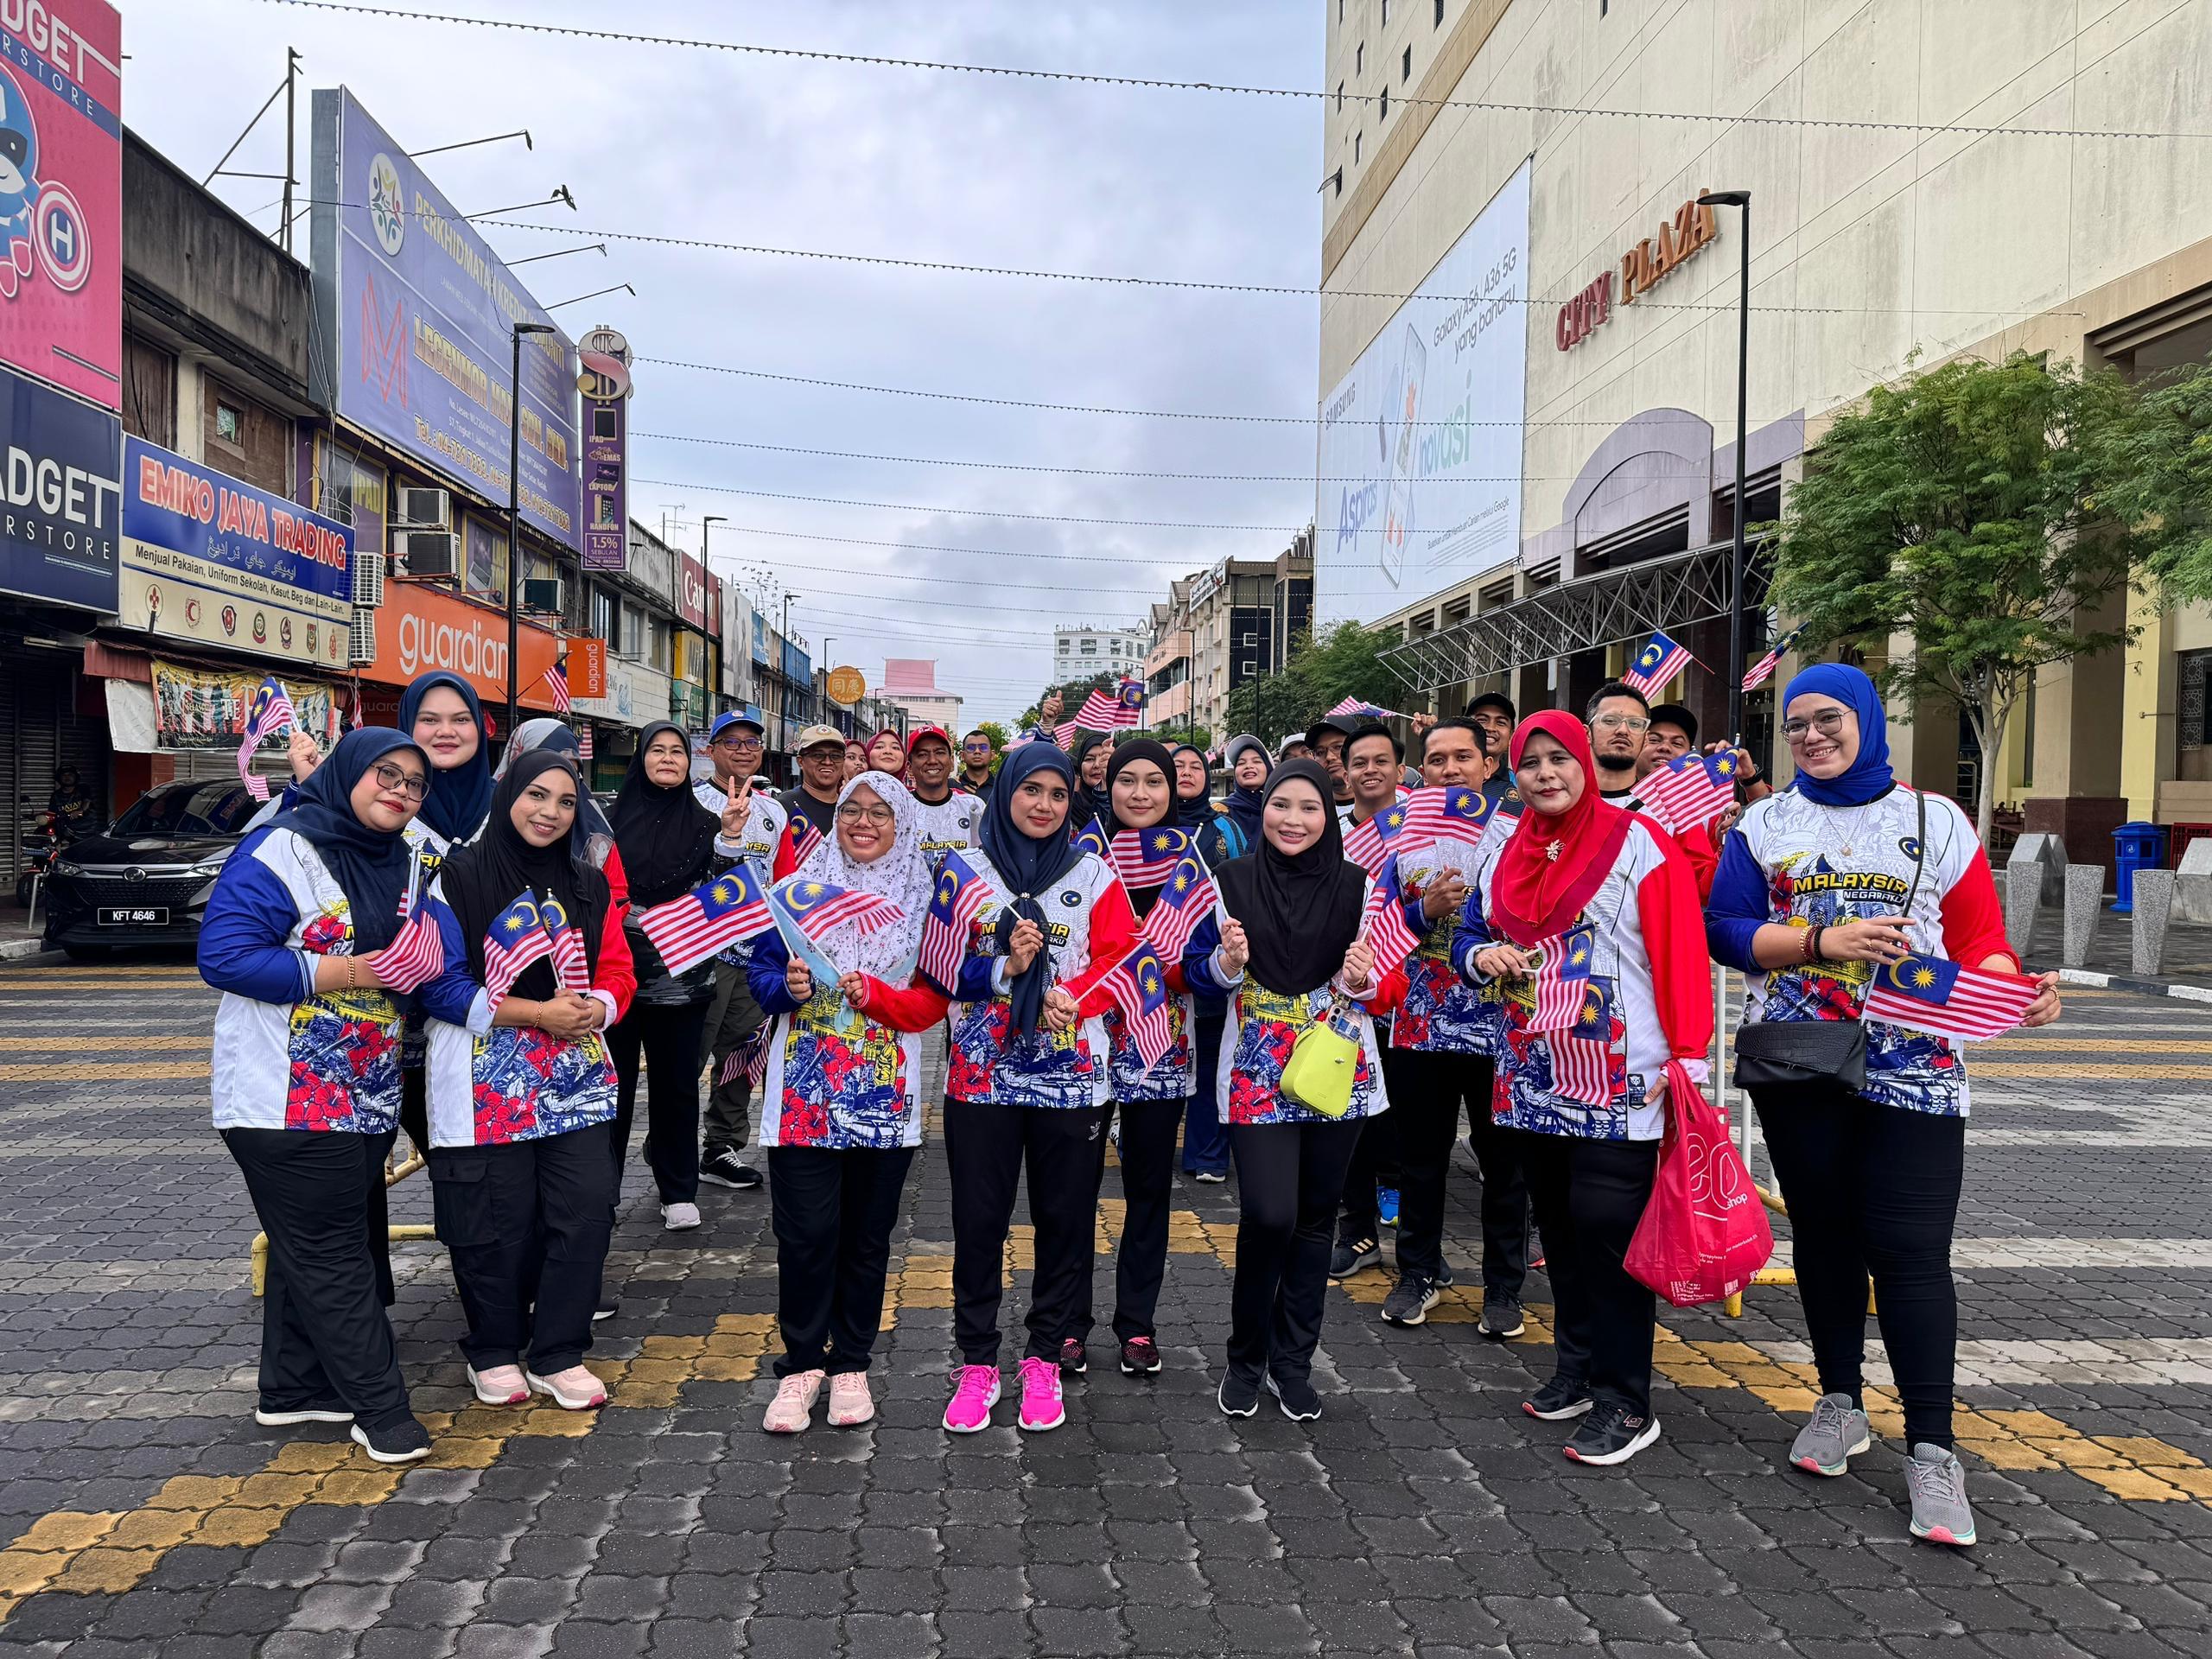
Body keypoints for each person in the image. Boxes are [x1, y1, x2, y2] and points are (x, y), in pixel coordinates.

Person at [1706, 664, 2060, 1545]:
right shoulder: (1763, 824)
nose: (1810, 736)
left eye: (1828, 718)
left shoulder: (1934, 819)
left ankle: (1933, 1450)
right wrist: (1821, 941)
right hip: (1800, 1059)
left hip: (1918, 1063)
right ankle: (1838, 1402)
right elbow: (1726, 931)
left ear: (1866, 719)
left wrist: (2015, 988)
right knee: (1825, 1237)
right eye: (1794, 724)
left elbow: (1980, 939)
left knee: (1910, 1252)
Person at [1452, 714, 1711, 1467]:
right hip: (1532, 1071)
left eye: (1559, 758)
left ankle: (1626, 1399)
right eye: (1530, 762)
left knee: (1610, 1236)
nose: (1545, 774)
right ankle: (1578, 1367)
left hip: (1621, 1074)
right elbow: (1467, 935)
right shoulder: (1503, 848)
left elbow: (1680, 950)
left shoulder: (1640, 841)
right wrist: (1481, 956)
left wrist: (1688, 1057)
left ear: (1585, 763)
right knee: (1560, 1230)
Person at [198, 729, 435, 1465]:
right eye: (386, 774)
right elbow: (226, 957)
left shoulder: (405, 858)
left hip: (365, 1093)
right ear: (347, 773)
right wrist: (358, 971)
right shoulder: (282, 848)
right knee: (333, 1253)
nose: (400, 790)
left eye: (414, 783)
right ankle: (382, 1409)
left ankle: (294, 1388)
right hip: (283, 1098)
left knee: (313, 1244)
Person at [1181, 761, 1403, 1421]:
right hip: (1256, 1073)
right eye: (1281, 805)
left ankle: (1292, 1363)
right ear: (1264, 808)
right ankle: (1245, 1358)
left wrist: (1365, 979)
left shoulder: (1361, 887)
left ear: (1327, 817)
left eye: (1310, 808)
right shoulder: (1228, 882)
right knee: (1269, 1215)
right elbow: (1192, 973)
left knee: (1314, 1220)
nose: (1293, 820)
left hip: (1338, 1073)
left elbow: (1390, 986)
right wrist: (1226, 963)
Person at [418, 752, 634, 1412]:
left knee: (585, 1211)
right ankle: (493, 1349)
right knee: (494, 1222)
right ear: (508, 794)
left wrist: (599, 1006)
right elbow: (439, 983)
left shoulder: (587, 882)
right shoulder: (458, 876)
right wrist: (536, 1013)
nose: (550, 812)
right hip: (483, 1079)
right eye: (537, 795)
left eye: (566, 802)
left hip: (574, 1080)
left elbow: (619, 968)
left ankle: (559, 1351)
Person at [940, 744, 1139, 1435]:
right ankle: (977, 1361)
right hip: (980, 1077)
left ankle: (1045, 1356)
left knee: (1065, 1222)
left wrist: (1076, 995)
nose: (1045, 805)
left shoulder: (1094, 872)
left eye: (1058, 793)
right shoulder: (964, 871)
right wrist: (1002, 966)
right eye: (1032, 790)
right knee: (978, 1223)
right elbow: (937, 966)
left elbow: (1121, 957)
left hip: (1071, 1081)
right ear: (1006, 794)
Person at [747, 774, 950, 1433]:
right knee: (806, 1235)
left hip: (884, 1100)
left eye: (880, 813)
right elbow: (760, 975)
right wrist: (787, 985)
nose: (863, 822)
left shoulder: (926, 902)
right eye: (851, 810)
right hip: (803, 1098)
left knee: (866, 1238)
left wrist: (877, 997)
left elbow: (931, 1003)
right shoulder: (798, 890)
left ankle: (852, 1363)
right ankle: (802, 1365)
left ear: (903, 825)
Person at [1368, 718, 1530, 1338]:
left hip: (1502, 1027)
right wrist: (1422, 910)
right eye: (1437, 759)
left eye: (1464, 757)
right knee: (1421, 1158)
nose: (1450, 769)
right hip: (1419, 1024)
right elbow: (1376, 922)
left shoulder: (1517, 830)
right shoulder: (1398, 833)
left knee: (1504, 1163)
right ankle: (1418, 1273)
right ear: (1422, 769)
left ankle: (1504, 1287)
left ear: (1489, 766)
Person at [1085, 741, 1201, 1378]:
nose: (1139, 793)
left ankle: (1137, 1324)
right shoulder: (1085, 855)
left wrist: (1168, 963)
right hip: (1086, 1043)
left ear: (1172, 790)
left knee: (1148, 1192)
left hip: (1162, 1045)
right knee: (1073, 1192)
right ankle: (1067, 1323)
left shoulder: (1193, 862)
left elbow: (1202, 964)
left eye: (1154, 781)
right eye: (1126, 779)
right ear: (1108, 787)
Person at [607, 721, 722, 1232]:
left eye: (678, 751)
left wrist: (731, 839)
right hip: (615, 973)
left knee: (676, 1086)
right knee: (612, 1086)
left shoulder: (708, 824)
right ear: (642, 758)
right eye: (658, 750)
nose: (669, 758)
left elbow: (724, 889)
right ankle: (602, 1190)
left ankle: (678, 1190)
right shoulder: (607, 823)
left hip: (683, 974)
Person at [694, 712, 788, 1195]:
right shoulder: (692, 801)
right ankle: (669, 1144)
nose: (744, 750)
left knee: (740, 1056)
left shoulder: (774, 811)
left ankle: (721, 1147)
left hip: (756, 954)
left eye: (752, 742)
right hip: (703, 954)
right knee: (688, 1055)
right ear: (711, 750)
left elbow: (784, 879)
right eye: (731, 742)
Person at [1333, 723, 1410, 1259]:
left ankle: (1416, 1247)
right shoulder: (1331, 831)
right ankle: (1356, 1230)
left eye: (1381, 761)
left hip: (1414, 993)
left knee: (1406, 1122)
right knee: (1352, 1116)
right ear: (1345, 771)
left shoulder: (1422, 824)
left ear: (1400, 769)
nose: (1370, 771)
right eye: (1359, 762)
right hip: (1349, 994)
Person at [904, 726, 983, 863]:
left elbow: (986, 859)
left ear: (951, 762)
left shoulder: (974, 806)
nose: (932, 760)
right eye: (922, 754)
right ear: (909, 767)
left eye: (940, 753)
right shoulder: (900, 808)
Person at [1584, 683, 1650, 803]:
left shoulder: (1658, 810)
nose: (1623, 730)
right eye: (1610, 721)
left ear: (1646, 739)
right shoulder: (1560, 802)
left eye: (1635, 723)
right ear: (1588, 733)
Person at [780, 725, 848, 840]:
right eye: (818, 755)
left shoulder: (851, 807)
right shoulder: (783, 806)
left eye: (835, 756)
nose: (827, 762)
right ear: (800, 762)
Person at [1217, 735, 1268, 861]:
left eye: (1257, 761)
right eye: (1241, 763)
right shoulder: (1220, 811)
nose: (1249, 766)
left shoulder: (1280, 809)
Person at [1303, 715, 1360, 819]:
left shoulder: (1389, 802)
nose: (1329, 757)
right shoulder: (1312, 816)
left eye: (1338, 747)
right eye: (1320, 752)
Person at [1071, 733, 1113, 831]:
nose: (1097, 765)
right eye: (1089, 759)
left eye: (1105, 759)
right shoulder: (1067, 804)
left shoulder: (1133, 803)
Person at [48, 765, 95, 842]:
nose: (67, 777)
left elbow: (87, 801)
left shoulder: (83, 788)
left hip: (88, 830)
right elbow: (52, 812)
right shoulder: (56, 795)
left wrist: (80, 811)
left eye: (70, 775)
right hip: (70, 831)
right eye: (64, 775)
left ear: (76, 777)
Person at [1465, 692, 1516, 761]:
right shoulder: (1450, 767)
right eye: (1482, 720)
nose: (1491, 728)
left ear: (1511, 736)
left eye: (1501, 722)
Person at [958, 728, 999, 801]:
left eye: (983, 747)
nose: (977, 751)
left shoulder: (1001, 787)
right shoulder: (951, 786)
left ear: (992, 755)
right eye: (971, 748)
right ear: (962, 755)